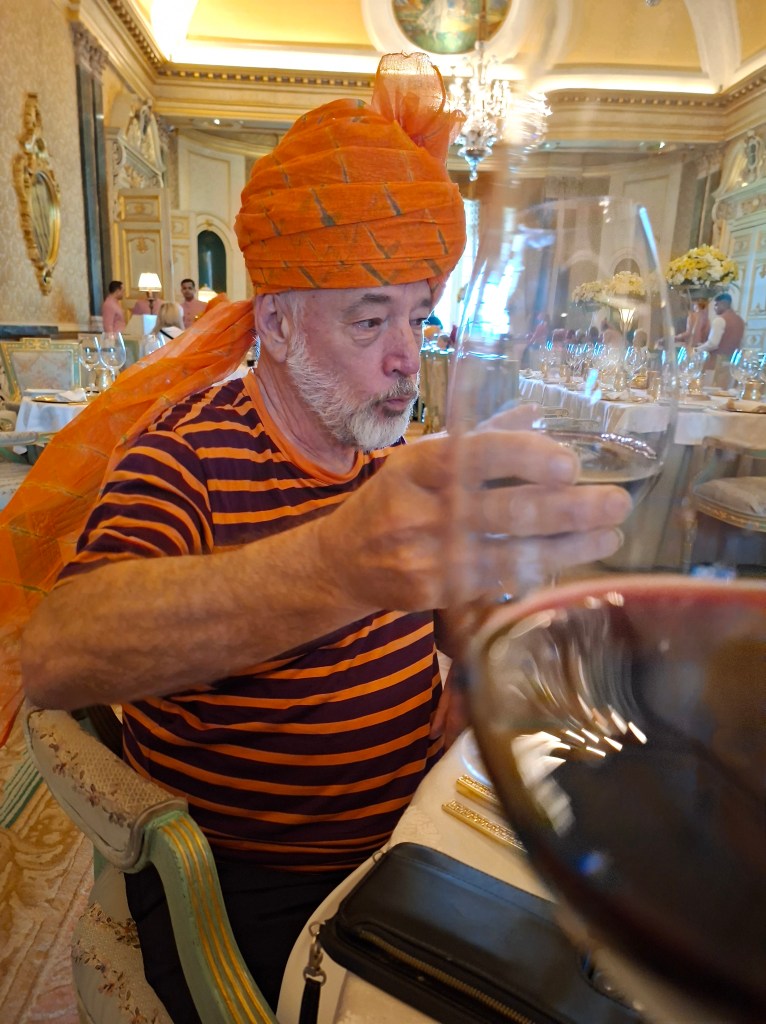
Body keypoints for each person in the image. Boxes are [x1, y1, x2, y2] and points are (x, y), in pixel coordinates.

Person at [17, 53, 631, 1020]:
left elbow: (457, 607)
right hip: (256, 887)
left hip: (409, 839)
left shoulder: (384, 455)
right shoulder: (185, 458)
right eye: (369, 320)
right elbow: (57, 655)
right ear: (278, 325)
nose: (406, 359)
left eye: (418, 319)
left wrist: (474, 665)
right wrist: (335, 566)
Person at [696, 293, 745, 367]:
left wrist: (696, 350)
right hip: (733, 363)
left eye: (716, 305)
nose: (714, 308)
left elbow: (712, 344)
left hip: (717, 363)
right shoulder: (740, 320)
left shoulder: (719, 320)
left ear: (724, 304)